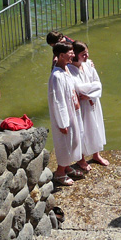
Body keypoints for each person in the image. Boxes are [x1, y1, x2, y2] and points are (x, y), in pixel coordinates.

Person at [47, 41, 85, 186]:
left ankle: (67, 166)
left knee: (75, 140)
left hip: (73, 112)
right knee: (65, 143)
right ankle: (60, 172)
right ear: (61, 55)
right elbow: (58, 101)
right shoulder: (56, 76)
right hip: (65, 116)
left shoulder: (65, 70)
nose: (73, 56)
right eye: (70, 54)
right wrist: (63, 123)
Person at [68, 41, 108, 169]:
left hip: (92, 101)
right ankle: (81, 158)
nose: (87, 56)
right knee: (83, 130)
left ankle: (96, 154)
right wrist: (89, 89)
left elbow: (97, 83)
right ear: (75, 55)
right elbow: (77, 87)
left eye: (87, 53)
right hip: (81, 105)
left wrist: (89, 94)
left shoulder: (88, 65)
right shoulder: (69, 70)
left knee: (96, 126)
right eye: (83, 54)